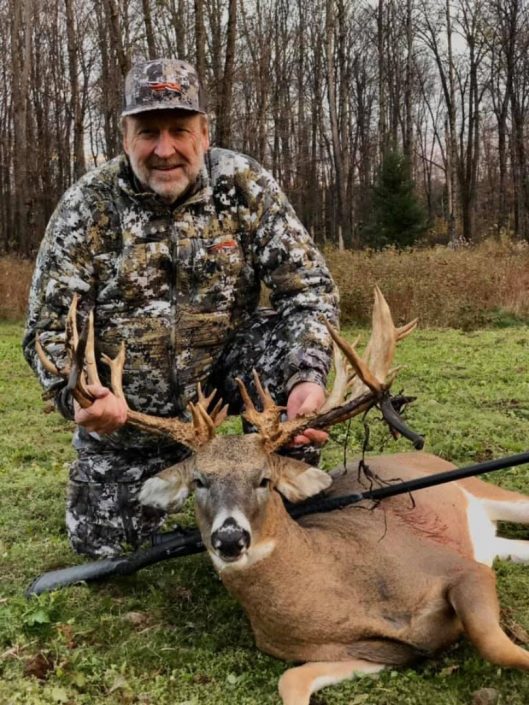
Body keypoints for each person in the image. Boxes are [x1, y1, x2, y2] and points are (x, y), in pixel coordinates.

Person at [23, 58, 339, 559]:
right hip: (129, 423)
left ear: (205, 133)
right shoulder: (87, 207)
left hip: (223, 388)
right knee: (107, 547)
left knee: (291, 352)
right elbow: (47, 330)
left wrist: (307, 378)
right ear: (126, 135)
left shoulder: (244, 186)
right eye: (148, 131)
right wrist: (82, 396)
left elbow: (308, 292)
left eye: (179, 130)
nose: (164, 149)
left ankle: (273, 478)